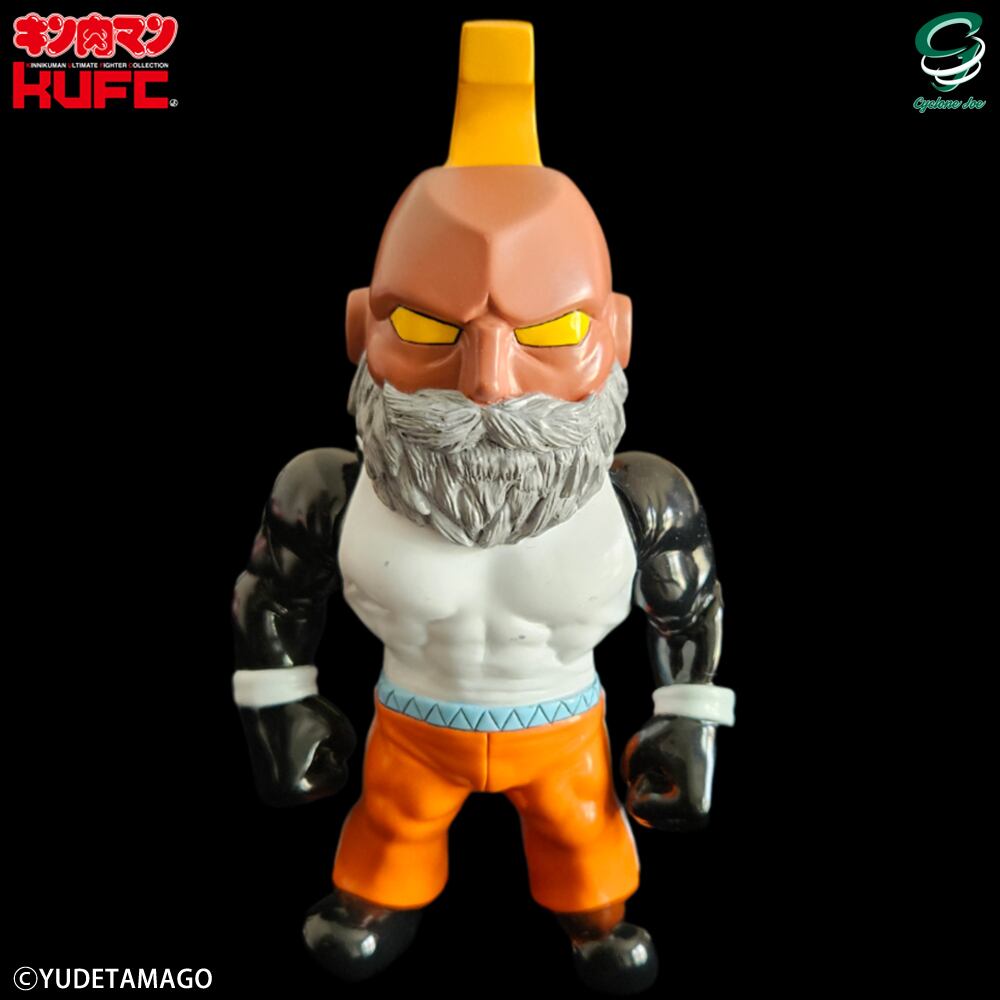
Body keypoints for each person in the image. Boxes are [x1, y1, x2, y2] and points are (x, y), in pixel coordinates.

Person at [231, 19, 735, 995]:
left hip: (567, 732)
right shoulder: (330, 490)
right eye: (429, 328)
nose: (489, 384)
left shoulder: (639, 496)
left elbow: (691, 611)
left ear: (617, 334)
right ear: (360, 326)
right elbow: (275, 597)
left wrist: (687, 720)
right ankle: (376, 899)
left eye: (549, 332)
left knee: (584, 830)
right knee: (391, 822)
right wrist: (280, 706)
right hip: (412, 727)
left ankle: (596, 916)